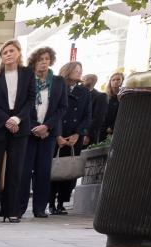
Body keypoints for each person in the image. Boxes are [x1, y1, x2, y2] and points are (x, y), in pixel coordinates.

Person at [0, 39, 35, 222]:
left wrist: (17, 118)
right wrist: (5, 120)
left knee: (15, 169)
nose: (8, 55)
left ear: (18, 53)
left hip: (20, 125)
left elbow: (30, 100)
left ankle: (12, 211)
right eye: (4, 52)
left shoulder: (28, 74)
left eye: (11, 51)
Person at [19, 46, 66, 219]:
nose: (44, 62)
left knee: (43, 171)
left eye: (46, 59)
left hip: (48, 133)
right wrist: (33, 127)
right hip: (29, 131)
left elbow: (62, 108)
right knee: (24, 171)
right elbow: (21, 105)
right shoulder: (27, 79)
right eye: (40, 59)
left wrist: (47, 127)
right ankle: (20, 207)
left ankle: (39, 208)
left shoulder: (59, 81)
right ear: (34, 62)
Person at [51, 61, 91, 215]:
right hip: (57, 134)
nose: (79, 72)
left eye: (80, 70)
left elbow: (88, 116)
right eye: (76, 69)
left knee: (69, 170)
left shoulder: (85, 92)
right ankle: (50, 202)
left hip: (75, 136)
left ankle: (61, 202)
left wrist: (78, 133)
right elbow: (54, 112)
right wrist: (58, 135)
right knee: (54, 167)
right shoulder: (57, 88)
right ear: (67, 70)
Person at [84, 73, 108, 148]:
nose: (81, 82)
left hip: (88, 135)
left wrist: (88, 135)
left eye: (83, 80)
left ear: (89, 81)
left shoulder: (100, 96)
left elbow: (98, 118)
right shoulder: (79, 94)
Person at [101, 72, 123, 143]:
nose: (115, 82)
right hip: (103, 132)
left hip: (119, 131)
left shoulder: (125, 97)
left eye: (118, 79)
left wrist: (112, 127)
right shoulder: (106, 97)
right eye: (113, 80)